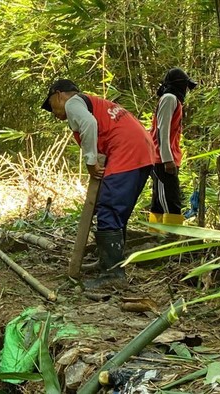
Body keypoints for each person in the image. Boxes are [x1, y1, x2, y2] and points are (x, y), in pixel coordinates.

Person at [41, 79, 154, 289]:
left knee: (109, 210)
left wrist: (90, 161)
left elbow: (89, 124)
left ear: (58, 94)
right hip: (142, 150)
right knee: (116, 213)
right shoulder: (95, 104)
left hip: (127, 151)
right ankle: (110, 263)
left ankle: (113, 275)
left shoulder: (73, 103)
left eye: (51, 106)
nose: (54, 113)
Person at [148, 68, 197, 227]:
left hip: (167, 157)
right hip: (161, 158)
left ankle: (156, 236)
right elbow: (162, 130)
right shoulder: (169, 98)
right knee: (170, 202)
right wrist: (167, 159)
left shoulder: (173, 100)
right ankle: (170, 238)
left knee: (160, 200)